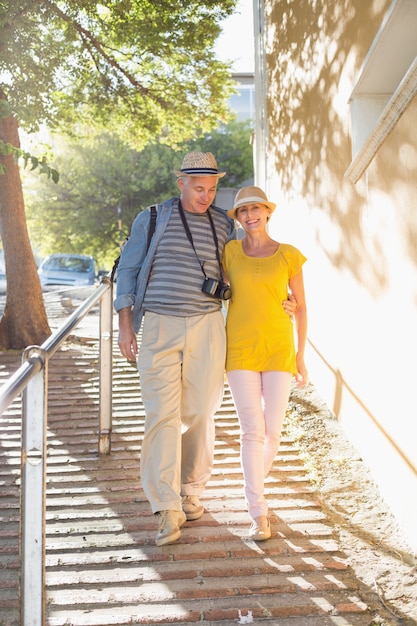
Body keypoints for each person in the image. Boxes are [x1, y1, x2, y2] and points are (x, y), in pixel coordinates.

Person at [114, 152, 236, 546]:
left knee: (202, 409)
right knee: (161, 415)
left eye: (212, 189)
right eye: (199, 188)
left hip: (206, 325)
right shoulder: (151, 218)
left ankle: (191, 488)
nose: (206, 196)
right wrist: (125, 323)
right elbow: (129, 270)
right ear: (180, 182)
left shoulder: (223, 223)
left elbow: (242, 270)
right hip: (160, 325)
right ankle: (166, 506)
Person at [222, 186, 308, 541]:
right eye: (243, 211)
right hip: (239, 349)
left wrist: (301, 356)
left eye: (255, 208)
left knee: (272, 432)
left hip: (278, 349)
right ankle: (258, 510)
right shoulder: (229, 252)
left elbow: (301, 307)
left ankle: (254, 479)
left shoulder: (288, 255)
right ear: (239, 219)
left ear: (267, 213)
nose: (250, 215)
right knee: (252, 431)